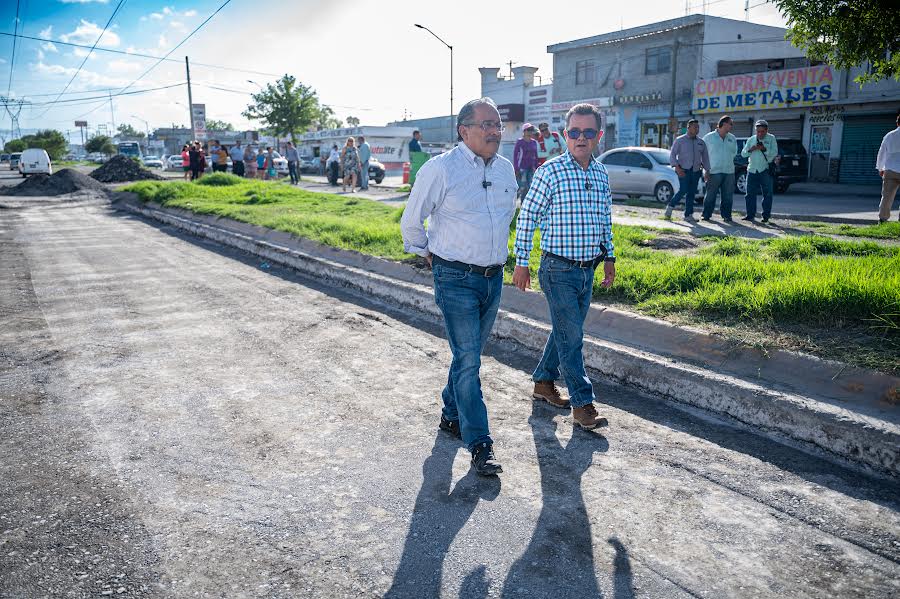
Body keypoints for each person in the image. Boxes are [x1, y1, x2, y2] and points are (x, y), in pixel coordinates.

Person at [400, 97, 517, 476]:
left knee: (467, 356)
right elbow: (411, 221)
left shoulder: (504, 170)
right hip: (454, 279)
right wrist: (427, 254)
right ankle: (480, 444)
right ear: (463, 130)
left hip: (493, 278)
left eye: (497, 124)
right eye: (485, 124)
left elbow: (504, 217)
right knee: (469, 360)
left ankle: (451, 415)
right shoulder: (441, 169)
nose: (494, 130)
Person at [512, 103, 614, 431]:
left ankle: (543, 382)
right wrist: (522, 262)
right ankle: (583, 405)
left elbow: (605, 221)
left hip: (587, 269)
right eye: (574, 132)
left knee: (565, 332)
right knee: (573, 338)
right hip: (557, 270)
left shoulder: (601, 174)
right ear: (564, 135)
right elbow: (527, 217)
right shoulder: (550, 171)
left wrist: (609, 256)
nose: (580, 138)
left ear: (598, 136)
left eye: (588, 132)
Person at [665, 119, 710, 220]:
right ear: (689, 127)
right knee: (683, 190)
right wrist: (677, 168)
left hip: (696, 171)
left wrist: (707, 170)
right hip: (683, 170)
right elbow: (672, 155)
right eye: (695, 127)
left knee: (692, 193)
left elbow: (705, 157)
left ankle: (688, 215)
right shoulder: (680, 140)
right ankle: (670, 207)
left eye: (698, 127)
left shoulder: (701, 142)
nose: (697, 129)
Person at [701, 115, 738, 223]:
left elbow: (734, 153)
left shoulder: (732, 138)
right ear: (724, 124)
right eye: (730, 124)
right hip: (713, 171)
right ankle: (706, 215)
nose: (732, 126)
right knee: (710, 195)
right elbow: (702, 154)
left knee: (728, 196)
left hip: (729, 171)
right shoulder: (708, 137)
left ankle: (726, 216)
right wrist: (705, 169)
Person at [741, 119, 779, 223]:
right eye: (758, 131)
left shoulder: (771, 138)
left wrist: (764, 149)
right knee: (749, 194)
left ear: (766, 130)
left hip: (765, 170)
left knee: (767, 194)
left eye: (762, 131)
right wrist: (750, 150)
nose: (760, 133)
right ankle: (750, 215)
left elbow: (774, 153)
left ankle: (765, 217)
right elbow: (743, 154)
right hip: (752, 170)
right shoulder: (751, 139)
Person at [876, 111, 900, 223]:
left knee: (886, 197)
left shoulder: (889, 135)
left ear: (897, 123)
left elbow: (882, 153)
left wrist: (880, 168)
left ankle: (882, 219)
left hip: (890, 170)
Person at [513, 123, 539, 200]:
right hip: (521, 168)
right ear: (524, 131)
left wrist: (537, 167)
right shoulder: (519, 141)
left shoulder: (534, 142)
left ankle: (523, 205)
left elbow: (536, 156)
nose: (530, 131)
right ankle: (513, 204)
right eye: (528, 130)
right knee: (520, 187)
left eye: (531, 130)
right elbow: (515, 156)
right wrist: (516, 168)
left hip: (531, 168)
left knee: (529, 187)